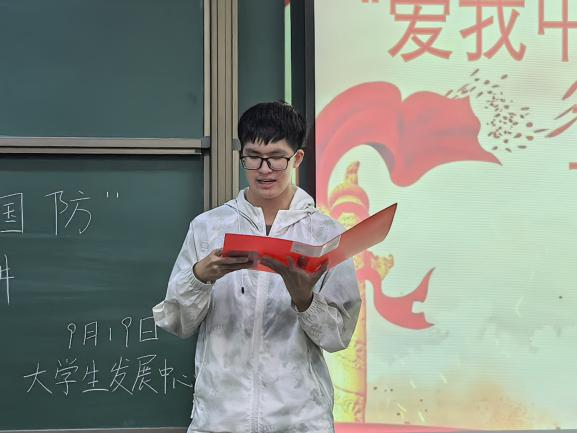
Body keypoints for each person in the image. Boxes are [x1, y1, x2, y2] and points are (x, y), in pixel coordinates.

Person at [153, 101, 361, 433]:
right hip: (220, 420)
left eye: (277, 158)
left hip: (299, 421)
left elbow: (338, 337)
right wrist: (199, 277)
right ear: (242, 156)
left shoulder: (326, 235)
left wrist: (304, 299)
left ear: (297, 158)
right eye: (253, 157)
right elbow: (177, 322)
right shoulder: (208, 228)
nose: (264, 169)